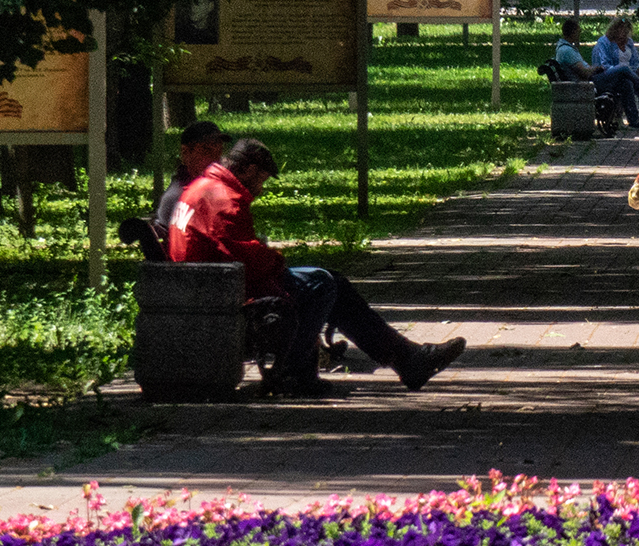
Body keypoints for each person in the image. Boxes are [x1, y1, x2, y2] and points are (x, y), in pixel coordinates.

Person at [170, 138, 465, 397]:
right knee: (322, 284)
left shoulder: (202, 187)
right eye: (262, 180)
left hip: (205, 288)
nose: (260, 189)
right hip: (222, 295)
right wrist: (275, 259)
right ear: (247, 170)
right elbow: (242, 260)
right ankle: (294, 372)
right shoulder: (226, 200)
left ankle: (409, 358)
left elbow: (232, 253)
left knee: (330, 281)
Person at [153, 119, 229, 233]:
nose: (215, 159)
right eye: (206, 151)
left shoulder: (223, 190)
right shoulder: (177, 197)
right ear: (185, 152)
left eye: (219, 151)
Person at [590, 17, 639, 129]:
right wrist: (622, 70)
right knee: (624, 69)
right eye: (621, 31)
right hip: (604, 76)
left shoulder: (629, 43)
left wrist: (635, 71)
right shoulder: (604, 43)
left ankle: (635, 120)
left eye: (626, 32)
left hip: (624, 76)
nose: (623, 34)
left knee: (627, 83)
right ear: (614, 30)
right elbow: (604, 65)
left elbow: (635, 61)